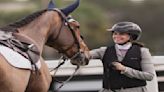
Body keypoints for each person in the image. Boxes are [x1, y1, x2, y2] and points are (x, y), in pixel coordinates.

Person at [89, 22, 156, 92]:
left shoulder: (143, 52)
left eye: (121, 34)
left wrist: (125, 69)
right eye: (115, 34)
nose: (116, 36)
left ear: (131, 36)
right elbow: (85, 55)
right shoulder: (103, 51)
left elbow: (149, 76)